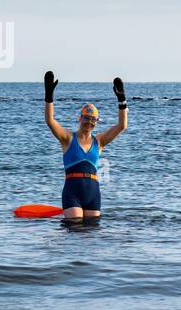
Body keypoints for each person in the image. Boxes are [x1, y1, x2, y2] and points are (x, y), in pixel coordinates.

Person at [43, 70, 128, 220]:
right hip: (72, 192)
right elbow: (50, 121)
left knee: (92, 235)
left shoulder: (99, 141)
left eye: (93, 119)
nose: (89, 122)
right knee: (74, 228)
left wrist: (122, 101)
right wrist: (49, 96)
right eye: (86, 118)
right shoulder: (67, 138)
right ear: (80, 118)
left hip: (93, 193)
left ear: (96, 122)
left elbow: (122, 126)